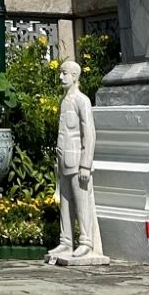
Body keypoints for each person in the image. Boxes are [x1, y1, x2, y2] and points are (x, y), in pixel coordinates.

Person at [48, 59, 106, 264]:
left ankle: (86, 241)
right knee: (65, 202)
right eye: (61, 73)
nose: (61, 77)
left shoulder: (82, 100)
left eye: (65, 73)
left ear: (75, 76)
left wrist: (85, 164)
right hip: (64, 159)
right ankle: (66, 240)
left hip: (77, 161)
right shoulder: (65, 101)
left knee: (82, 203)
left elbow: (89, 134)